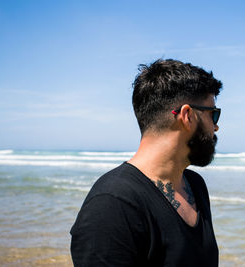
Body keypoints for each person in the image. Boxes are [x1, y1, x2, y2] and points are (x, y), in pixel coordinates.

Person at [70, 59, 223, 266]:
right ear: (187, 116)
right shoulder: (112, 205)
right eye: (213, 114)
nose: (216, 127)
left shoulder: (195, 185)